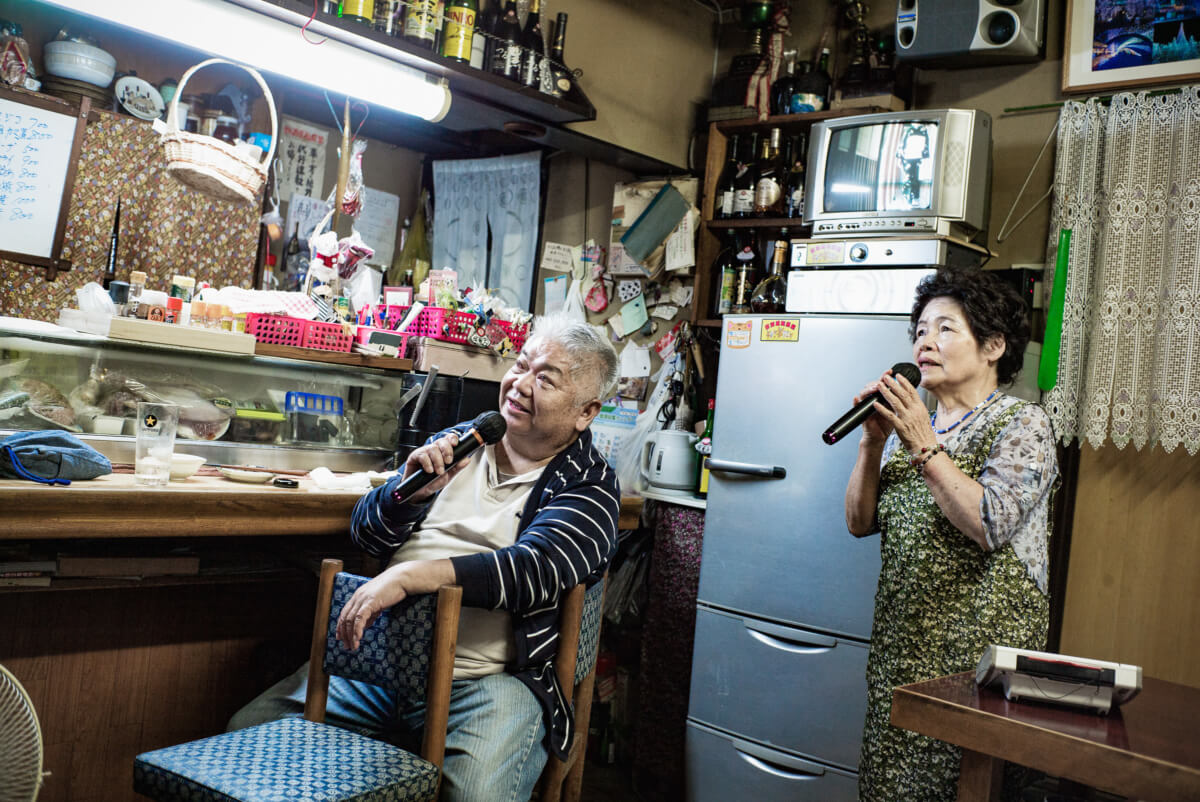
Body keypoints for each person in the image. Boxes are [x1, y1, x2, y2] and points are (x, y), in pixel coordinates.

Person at [229, 313, 621, 802]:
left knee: (477, 794)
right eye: (521, 365)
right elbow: (366, 533)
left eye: (546, 379)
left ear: (585, 412)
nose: (521, 384)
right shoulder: (468, 439)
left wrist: (415, 576)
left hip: (487, 683)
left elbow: (536, 571)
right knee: (250, 732)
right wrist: (405, 497)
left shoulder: (590, 483)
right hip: (380, 664)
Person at [843, 266, 1058, 802]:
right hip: (900, 654)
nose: (924, 342)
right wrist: (872, 443)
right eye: (919, 330)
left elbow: (989, 523)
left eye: (944, 329)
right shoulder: (911, 429)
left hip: (977, 669)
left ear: (992, 346)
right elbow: (858, 522)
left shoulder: (1023, 424)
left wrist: (919, 440)